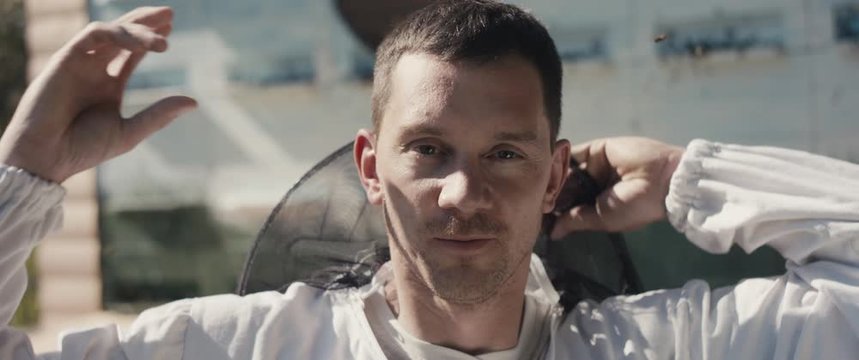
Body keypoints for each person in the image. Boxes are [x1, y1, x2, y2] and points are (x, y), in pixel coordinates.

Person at [1, 1, 857, 359]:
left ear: (555, 174)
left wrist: (680, 176)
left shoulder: (659, 345)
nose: (461, 193)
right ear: (371, 168)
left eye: (505, 154)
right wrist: (25, 173)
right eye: (427, 150)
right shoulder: (252, 347)